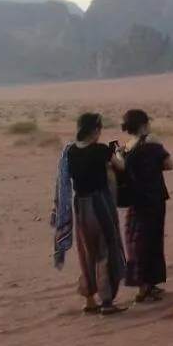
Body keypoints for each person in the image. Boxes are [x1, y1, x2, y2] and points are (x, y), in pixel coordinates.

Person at [54, 113, 127, 315]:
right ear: (95, 130)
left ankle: (89, 299)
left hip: (81, 205)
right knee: (106, 250)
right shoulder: (100, 150)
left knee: (87, 252)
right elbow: (121, 166)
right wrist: (118, 154)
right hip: (100, 204)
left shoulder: (70, 152)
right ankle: (106, 301)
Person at [120, 109, 173, 305]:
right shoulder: (153, 146)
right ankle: (145, 287)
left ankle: (147, 285)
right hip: (154, 199)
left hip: (136, 201)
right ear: (143, 126)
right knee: (152, 242)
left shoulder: (125, 148)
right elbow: (169, 165)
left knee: (137, 241)